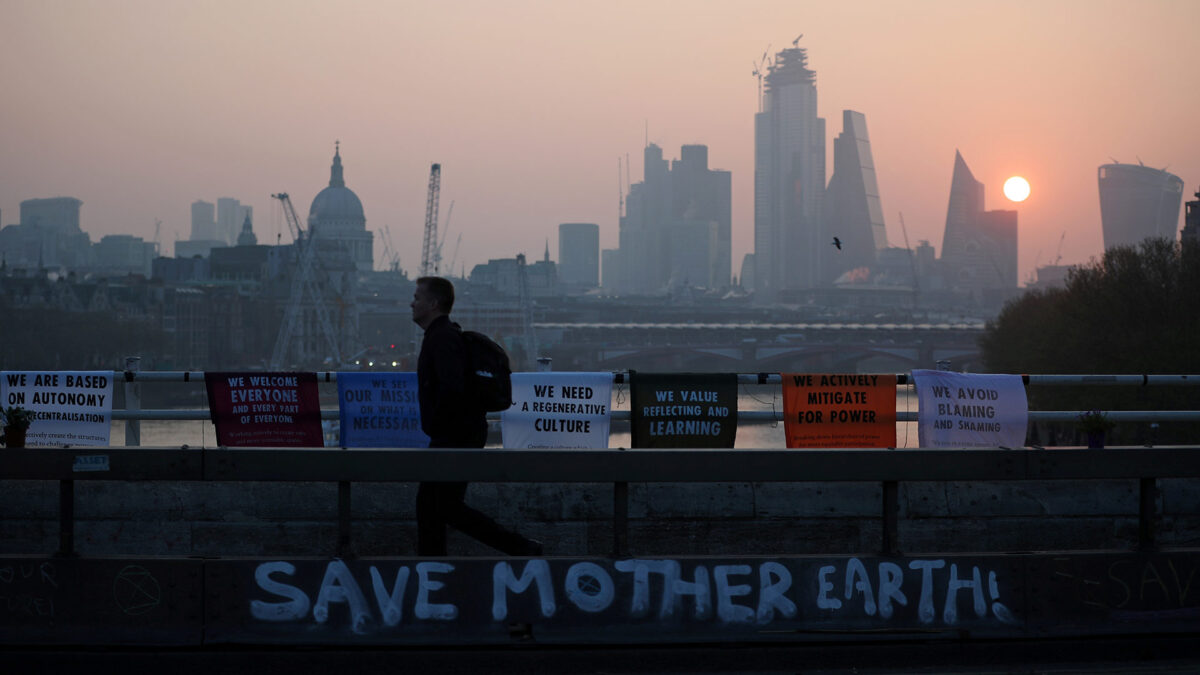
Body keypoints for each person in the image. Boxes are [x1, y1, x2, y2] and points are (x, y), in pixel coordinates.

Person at [410, 276, 542, 557]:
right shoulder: (444, 334)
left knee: (434, 506)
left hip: (453, 436)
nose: (412, 303)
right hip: (460, 433)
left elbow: (452, 387)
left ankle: (518, 547)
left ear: (433, 303)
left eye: (417, 297)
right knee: (441, 507)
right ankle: (437, 564)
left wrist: (439, 427)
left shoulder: (442, 338)